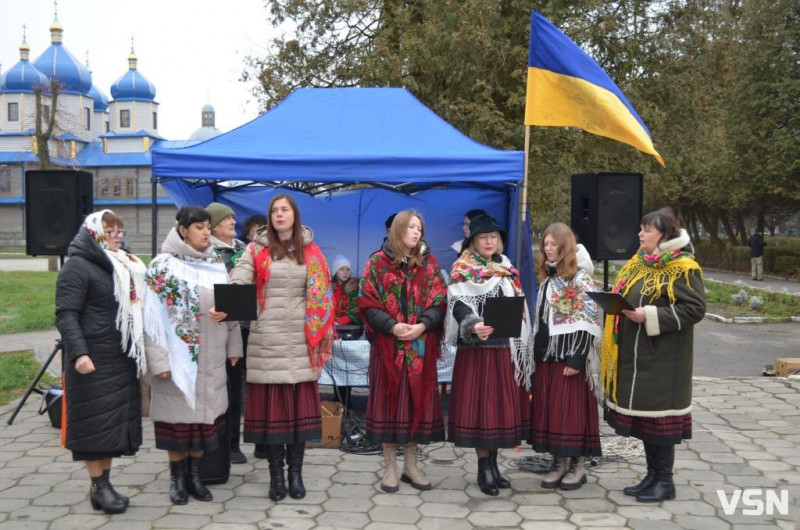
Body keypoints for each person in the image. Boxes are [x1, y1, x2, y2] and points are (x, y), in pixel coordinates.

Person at [230, 193, 334, 502]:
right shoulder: (255, 250)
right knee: (274, 420)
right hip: (267, 342)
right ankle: (276, 477)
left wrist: (319, 333)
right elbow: (240, 284)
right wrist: (226, 302)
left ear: (294, 215)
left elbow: (324, 295)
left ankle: (296, 475)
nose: (279, 215)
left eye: (284, 209)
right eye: (274, 210)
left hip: (303, 342)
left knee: (298, 421)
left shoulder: (312, 251)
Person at [601, 208, 705, 503]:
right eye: (641, 228)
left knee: (660, 424)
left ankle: (665, 482)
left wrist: (648, 314)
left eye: (646, 229)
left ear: (665, 235)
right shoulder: (641, 262)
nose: (640, 234)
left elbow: (695, 309)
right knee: (647, 424)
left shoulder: (683, 267)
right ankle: (651, 475)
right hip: (638, 356)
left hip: (664, 362)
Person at [143, 206, 243, 505]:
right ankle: (177, 479)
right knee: (177, 425)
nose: (206, 232)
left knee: (203, 424)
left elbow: (232, 308)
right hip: (176, 361)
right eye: (199, 227)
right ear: (183, 230)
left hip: (211, 358)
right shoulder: (162, 266)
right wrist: (157, 361)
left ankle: (195, 476)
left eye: (207, 226)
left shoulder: (215, 262)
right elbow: (151, 320)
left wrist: (234, 346)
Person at [55, 210, 146, 514]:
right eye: (110, 231)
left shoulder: (120, 263)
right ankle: (99, 486)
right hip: (92, 359)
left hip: (118, 356)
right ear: (93, 232)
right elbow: (66, 314)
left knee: (109, 427)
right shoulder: (78, 267)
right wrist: (79, 353)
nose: (118, 235)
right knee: (94, 427)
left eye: (119, 230)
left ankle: (103, 485)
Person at [359, 210, 447, 493]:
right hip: (389, 348)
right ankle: (390, 468)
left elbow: (440, 301)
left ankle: (411, 466)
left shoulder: (429, 264)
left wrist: (423, 325)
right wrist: (392, 327)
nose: (416, 232)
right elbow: (367, 303)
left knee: (414, 407)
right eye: (410, 227)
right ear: (398, 230)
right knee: (389, 407)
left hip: (420, 349)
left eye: (419, 227)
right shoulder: (377, 263)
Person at [445, 214, 533, 496]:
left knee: (497, 410)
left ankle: (494, 466)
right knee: (482, 410)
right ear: (472, 241)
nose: (489, 241)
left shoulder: (506, 267)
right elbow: (458, 304)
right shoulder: (463, 267)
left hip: (503, 349)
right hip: (479, 351)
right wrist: (473, 325)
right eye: (483, 237)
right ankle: (483, 468)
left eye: (493, 236)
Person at [529, 223, 603, 491]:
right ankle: (558, 463)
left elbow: (588, 321)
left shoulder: (580, 279)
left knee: (571, 414)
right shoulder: (549, 278)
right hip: (547, 358)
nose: (548, 249)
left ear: (565, 246)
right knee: (552, 413)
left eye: (553, 244)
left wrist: (577, 359)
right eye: (545, 245)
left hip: (568, 359)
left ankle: (578, 466)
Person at [206, 202, 249, 464]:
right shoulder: (205, 251)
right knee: (214, 388)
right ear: (213, 226)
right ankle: (213, 442)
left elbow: (245, 295)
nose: (233, 222)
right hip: (213, 328)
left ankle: (233, 443)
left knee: (235, 388)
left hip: (241, 328)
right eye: (227, 219)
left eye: (234, 217)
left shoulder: (243, 249)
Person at [331, 255, 361, 325]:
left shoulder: (354, 288)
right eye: (341, 269)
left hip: (349, 327)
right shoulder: (329, 290)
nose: (345, 272)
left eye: (348, 269)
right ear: (335, 271)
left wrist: (338, 322)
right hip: (330, 326)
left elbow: (355, 312)